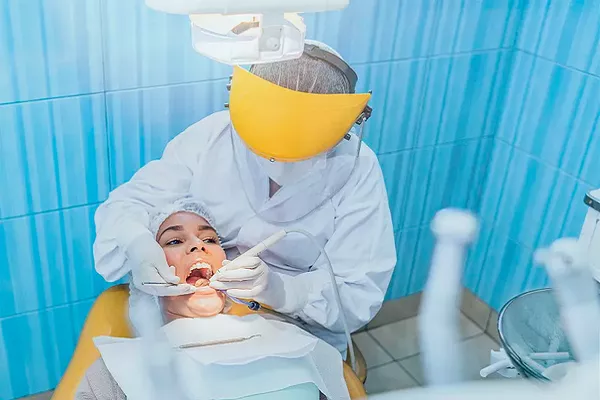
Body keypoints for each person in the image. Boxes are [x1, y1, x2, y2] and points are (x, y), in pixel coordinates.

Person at [93, 40, 397, 353]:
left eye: (299, 146)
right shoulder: (211, 139)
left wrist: (285, 292)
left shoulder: (357, 169)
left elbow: (358, 292)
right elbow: (129, 205)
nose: (278, 160)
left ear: (336, 131)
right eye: (176, 241)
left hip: (297, 329)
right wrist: (136, 244)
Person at [78, 198, 349, 399]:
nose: (199, 245)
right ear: (147, 273)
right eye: (174, 241)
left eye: (209, 239)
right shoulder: (116, 371)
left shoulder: (298, 344)